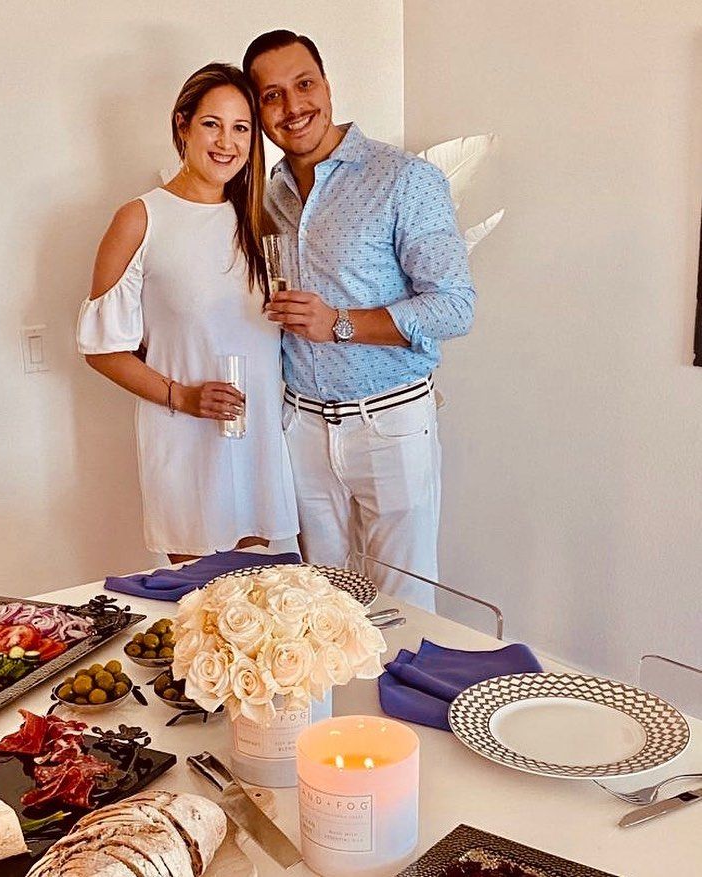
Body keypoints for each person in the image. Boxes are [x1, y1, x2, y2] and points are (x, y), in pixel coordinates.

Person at [242, 31, 476, 610]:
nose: (293, 107)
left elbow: (454, 306)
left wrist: (338, 322)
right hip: (301, 429)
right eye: (272, 96)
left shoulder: (404, 179)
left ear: (327, 84)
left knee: (404, 608)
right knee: (320, 610)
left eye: (304, 84)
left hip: (391, 423)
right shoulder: (265, 197)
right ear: (258, 110)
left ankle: (392, 706)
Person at [76, 63, 298, 564]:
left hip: (260, 439)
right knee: (202, 608)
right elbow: (102, 350)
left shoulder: (260, 221)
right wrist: (184, 397)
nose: (227, 142)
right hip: (187, 442)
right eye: (211, 124)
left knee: (266, 611)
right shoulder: (140, 219)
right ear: (183, 125)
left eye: (241, 128)